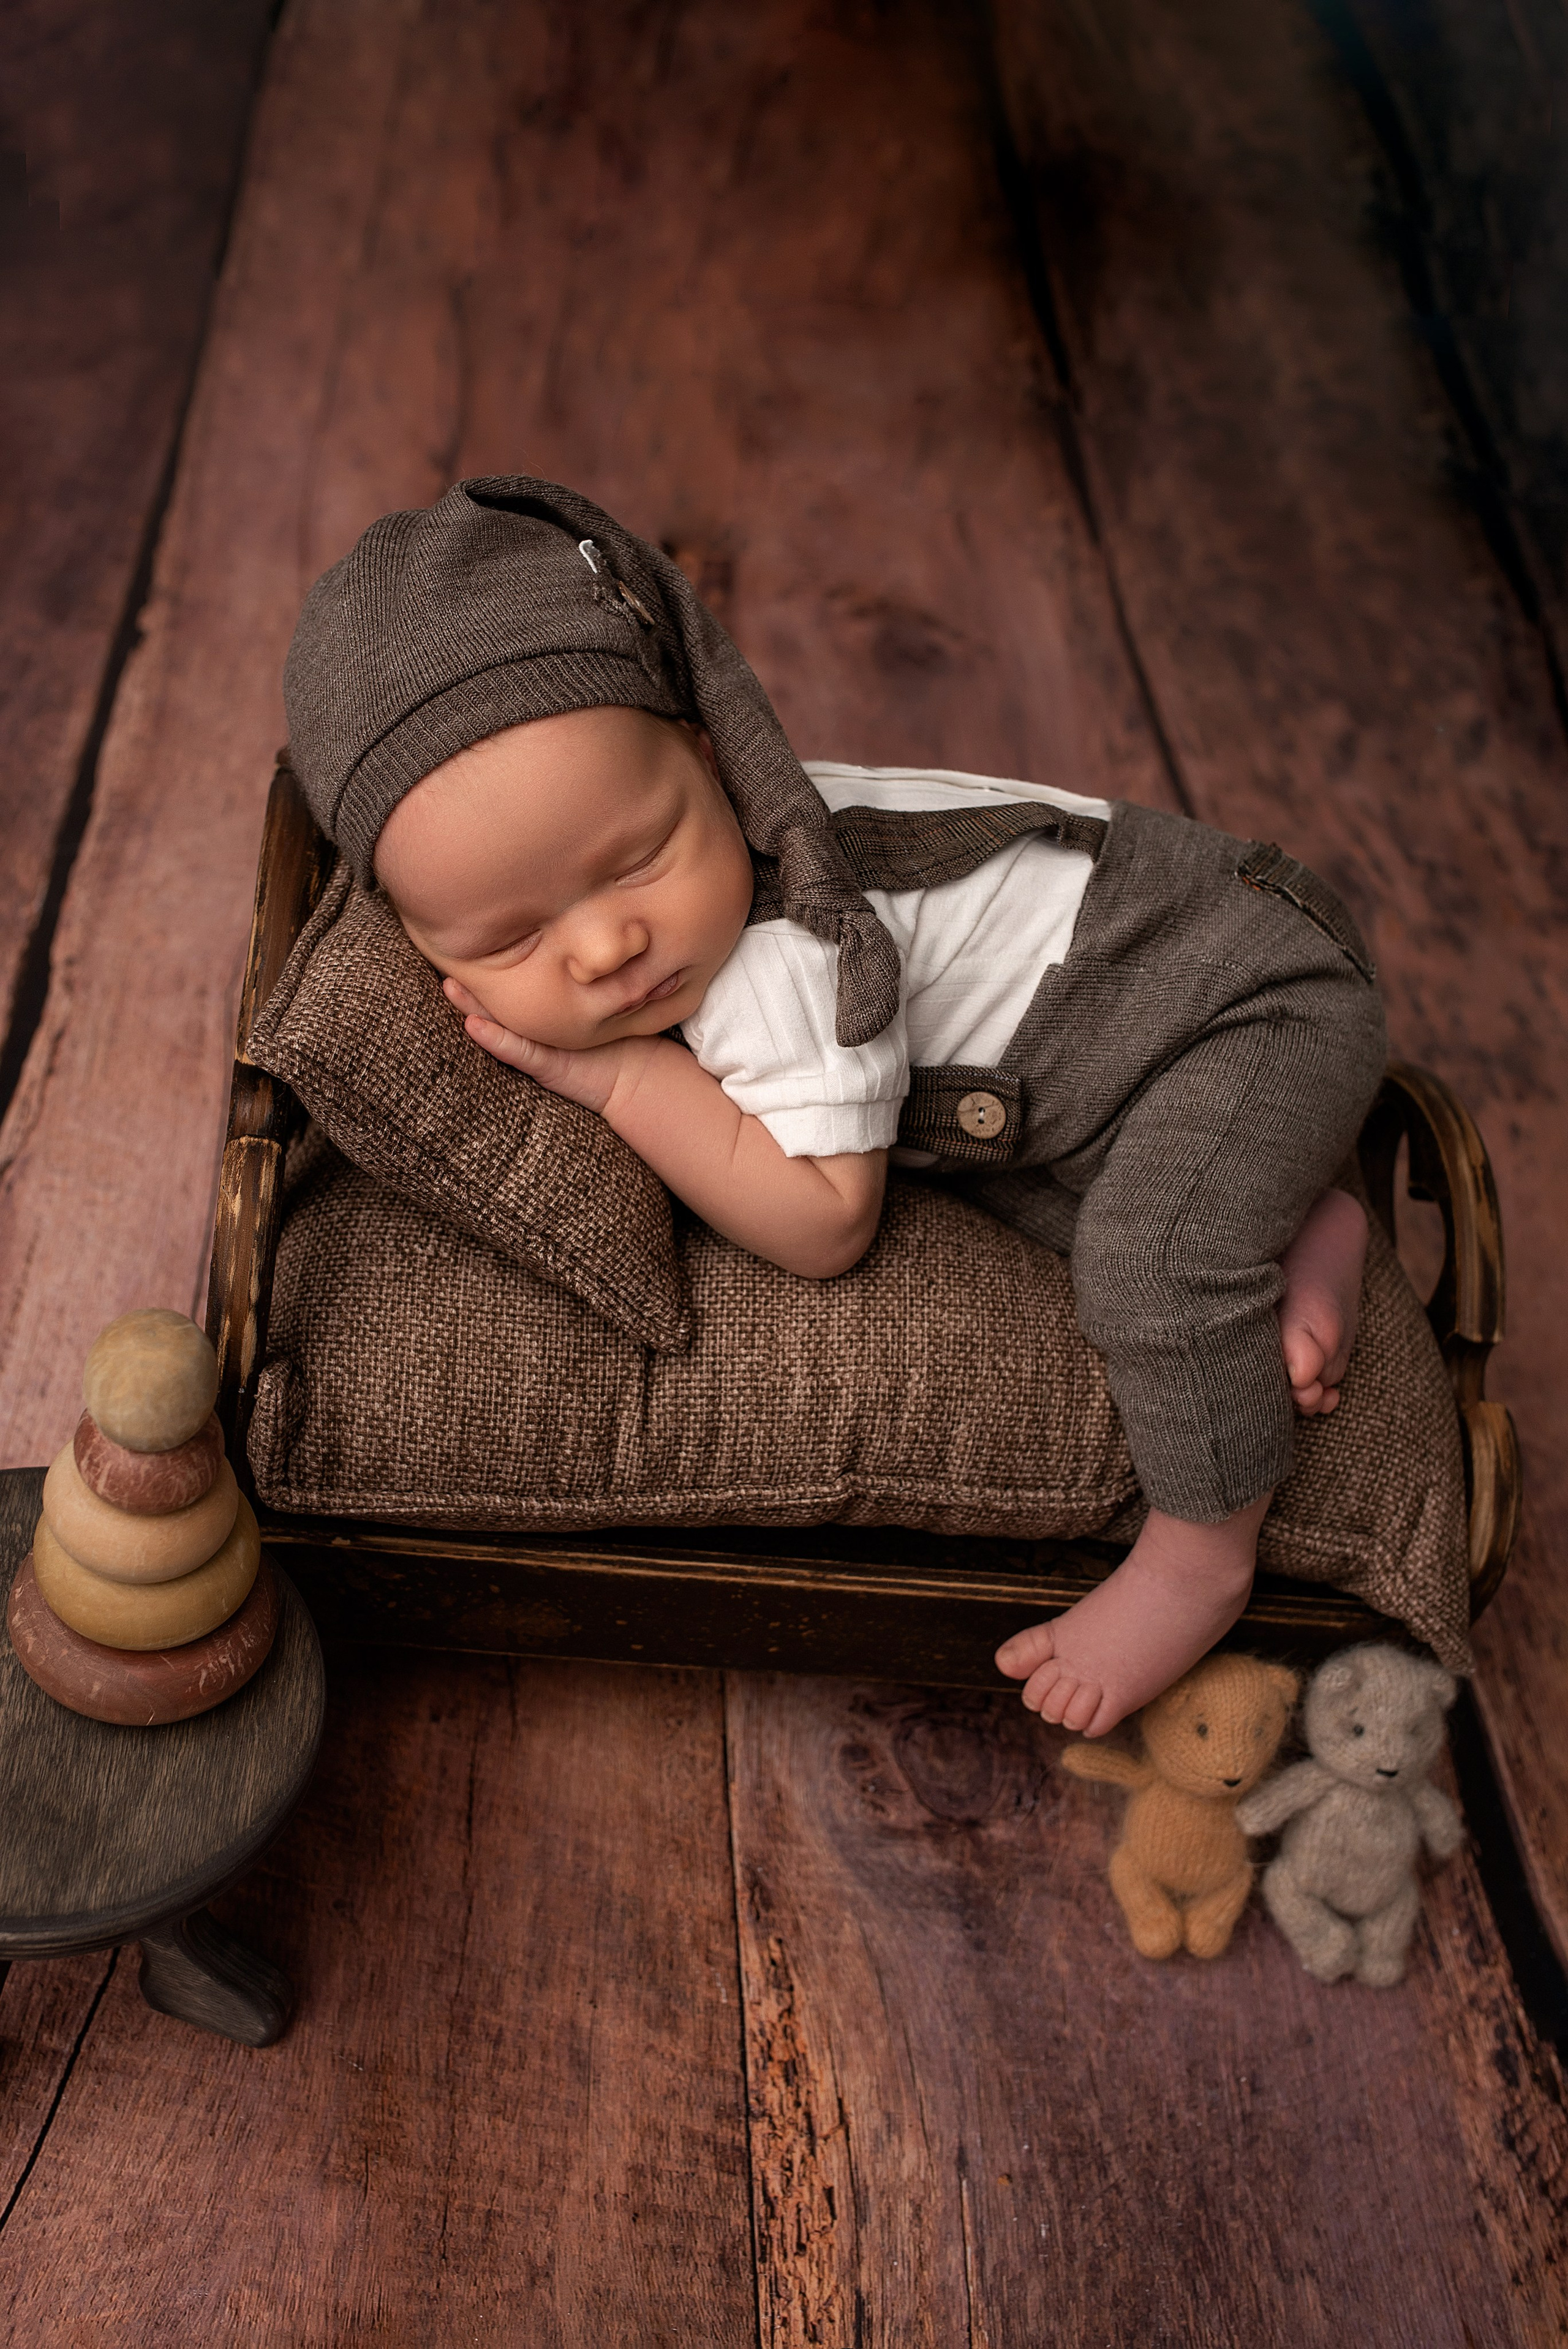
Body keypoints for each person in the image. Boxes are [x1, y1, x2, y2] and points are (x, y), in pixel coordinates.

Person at [284, 474, 1385, 1738]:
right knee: (1047, 1186)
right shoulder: (667, 848)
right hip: (1139, 1027)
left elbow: (823, 1227)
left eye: (637, 860)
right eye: (512, 935)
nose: (606, 950)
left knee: (1143, 1268)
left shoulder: (776, 960)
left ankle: (1198, 1558)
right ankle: (1306, 1216)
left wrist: (625, 1078)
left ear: (707, 757)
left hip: (1251, 997)